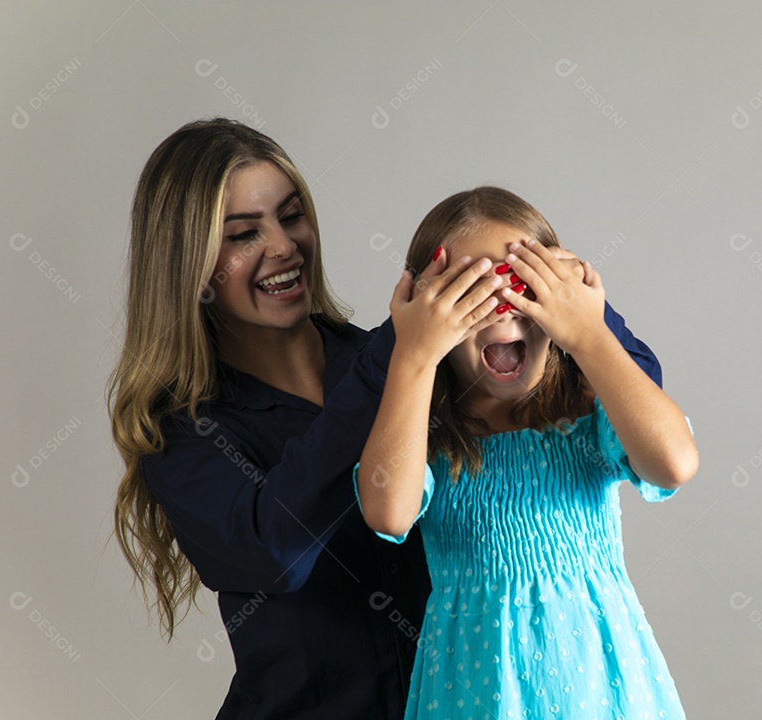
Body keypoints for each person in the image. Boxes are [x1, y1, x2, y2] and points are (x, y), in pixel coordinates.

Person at [108, 119, 665, 718]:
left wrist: (565, 295)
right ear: (188, 266)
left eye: (292, 217)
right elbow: (274, 551)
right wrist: (402, 356)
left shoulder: (415, 361)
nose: (284, 246)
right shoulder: (182, 434)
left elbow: (633, 395)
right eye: (244, 234)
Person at [356, 187, 699, 718]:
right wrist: (413, 355)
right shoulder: (425, 430)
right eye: (470, 295)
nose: (503, 310)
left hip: (601, 691)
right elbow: (387, 512)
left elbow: (674, 463)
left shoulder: (585, 407)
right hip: (472, 693)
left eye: (524, 286)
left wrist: (589, 332)